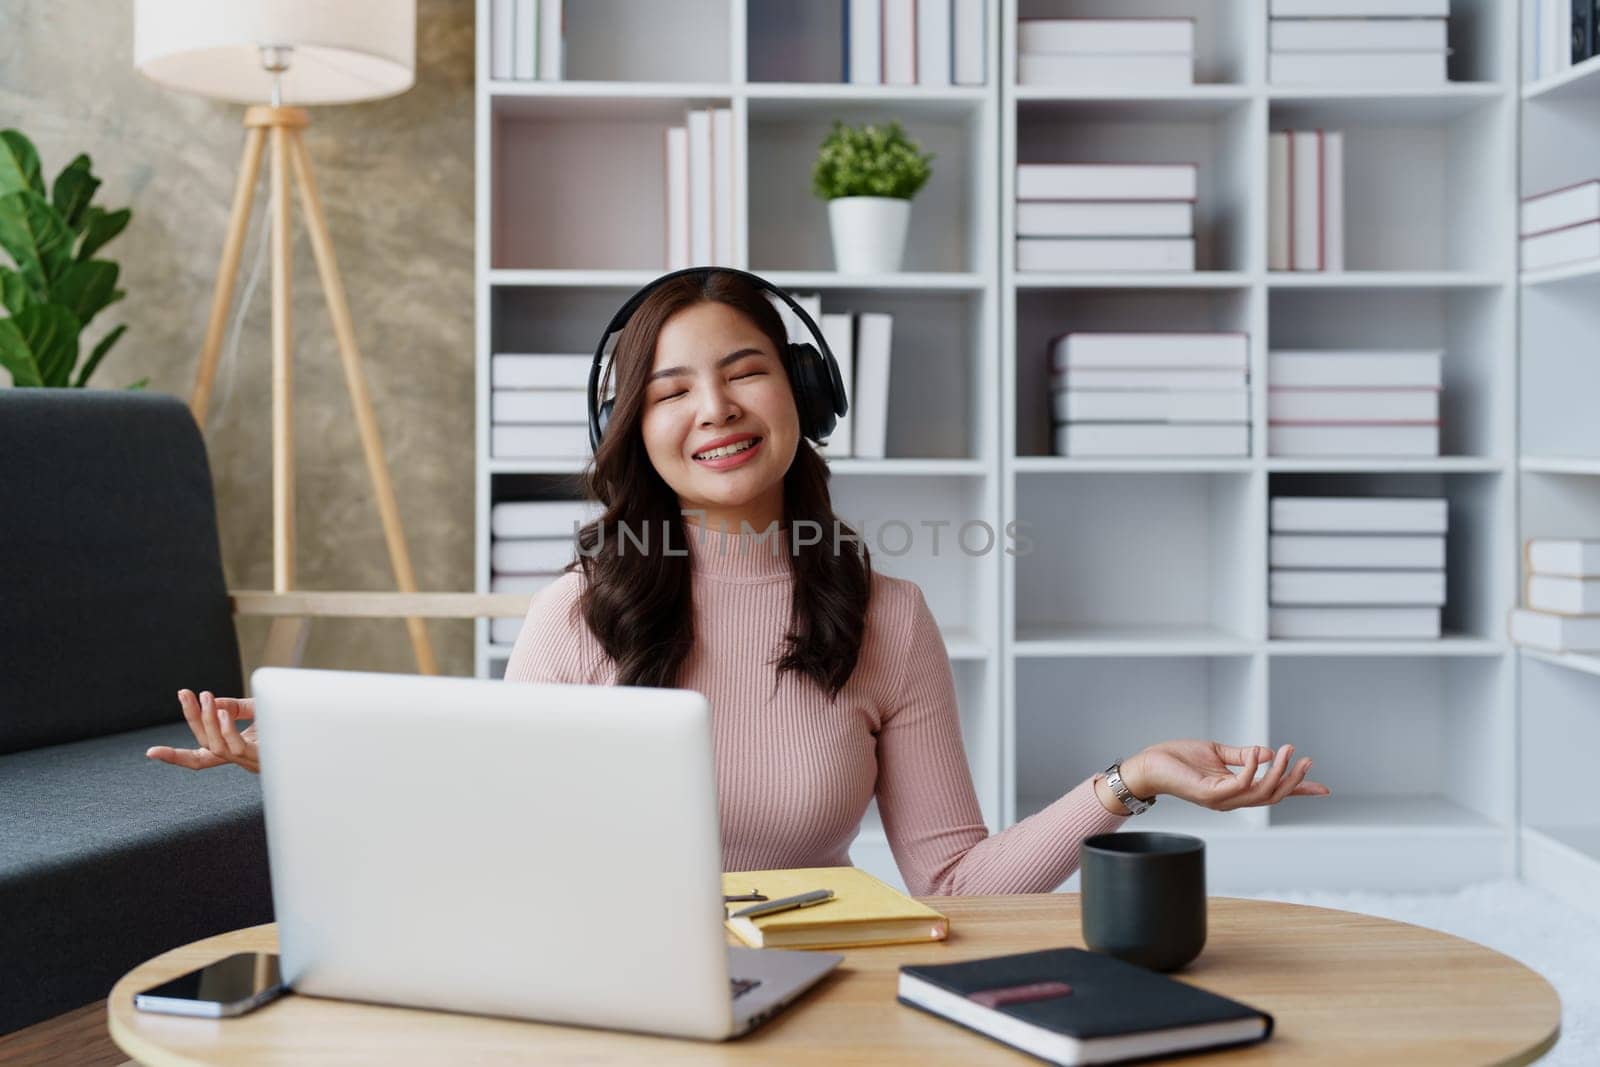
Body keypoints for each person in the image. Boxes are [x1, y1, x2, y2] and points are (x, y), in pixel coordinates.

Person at [149, 269, 1330, 895]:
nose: (711, 408)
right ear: (635, 430)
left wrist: (1125, 781)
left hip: (821, 984)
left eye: (744, 371)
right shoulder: (579, 612)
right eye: (667, 389)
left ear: (801, 400)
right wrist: (315, 754)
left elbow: (959, 879)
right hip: (608, 980)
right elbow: (487, 833)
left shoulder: (890, 619)